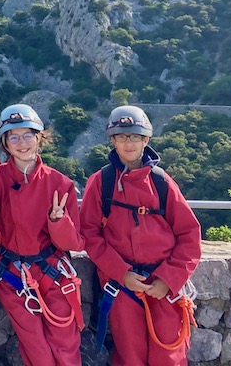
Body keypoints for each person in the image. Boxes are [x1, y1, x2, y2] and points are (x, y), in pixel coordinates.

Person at [79, 105, 201, 366]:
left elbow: (189, 234)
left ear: (146, 139)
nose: (129, 142)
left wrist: (168, 279)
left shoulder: (162, 182)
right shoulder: (101, 182)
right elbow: (90, 234)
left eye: (135, 136)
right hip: (122, 285)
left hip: (163, 284)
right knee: (129, 354)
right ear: (112, 140)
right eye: (122, 136)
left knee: (168, 354)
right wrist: (122, 273)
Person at [0, 104, 83, 366]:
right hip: (12, 274)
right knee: (35, 348)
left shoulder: (60, 183)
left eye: (27, 135)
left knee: (66, 345)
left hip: (52, 272)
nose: (21, 142)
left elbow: (74, 242)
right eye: (13, 136)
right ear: (4, 143)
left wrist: (58, 222)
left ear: (39, 138)